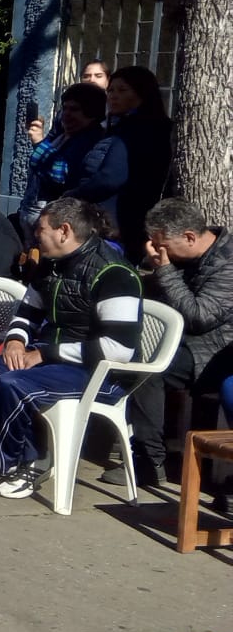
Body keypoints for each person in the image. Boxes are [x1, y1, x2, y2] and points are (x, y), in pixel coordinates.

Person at [0, 198, 142, 500]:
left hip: (100, 373)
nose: (33, 234)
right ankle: (25, 459)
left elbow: (118, 350)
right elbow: (27, 312)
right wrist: (16, 340)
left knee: (13, 384)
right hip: (50, 358)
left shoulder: (114, 274)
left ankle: (12, 464)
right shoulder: (50, 266)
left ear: (63, 231)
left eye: (40, 229)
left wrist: (45, 354)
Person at [122, 198, 233, 487]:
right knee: (131, 356)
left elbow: (200, 317)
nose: (159, 252)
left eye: (163, 245)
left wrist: (165, 270)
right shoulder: (188, 255)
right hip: (187, 343)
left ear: (189, 237)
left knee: (149, 370)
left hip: (216, 353)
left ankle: (150, 460)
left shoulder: (228, 262)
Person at [20, 82, 123, 229]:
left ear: (91, 113)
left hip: (55, 221)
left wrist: (39, 143)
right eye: (65, 108)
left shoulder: (90, 140)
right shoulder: (62, 135)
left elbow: (61, 175)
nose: (66, 114)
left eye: (74, 109)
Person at [108, 66, 174, 261]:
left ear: (141, 92)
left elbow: (112, 177)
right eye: (110, 90)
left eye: (122, 90)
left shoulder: (139, 127)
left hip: (137, 213)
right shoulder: (123, 124)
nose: (113, 96)